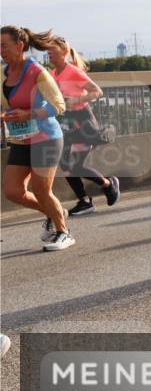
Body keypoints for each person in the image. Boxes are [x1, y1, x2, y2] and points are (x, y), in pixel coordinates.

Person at [1, 25, 72, 250]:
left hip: (46, 138)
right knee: (13, 191)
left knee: (41, 190)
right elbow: (9, 104)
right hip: (22, 138)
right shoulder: (4, 73)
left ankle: (64, 233)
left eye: (4, 46)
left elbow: (59, 105)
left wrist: (28, 114)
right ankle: (55, 212)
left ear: (20, 45)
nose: (1, 51)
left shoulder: (36, 71)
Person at [48, 36, 121, 215]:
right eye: (48, 51)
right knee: (65, 166)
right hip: (65, 122)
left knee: (77, 167)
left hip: (82, 122)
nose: (49, 54)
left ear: (64, 52)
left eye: (52, 51)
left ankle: (108, 184)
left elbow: (97, 91)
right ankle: (85, 201)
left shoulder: (73, 72)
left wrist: (76, 100)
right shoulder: (52, 74)